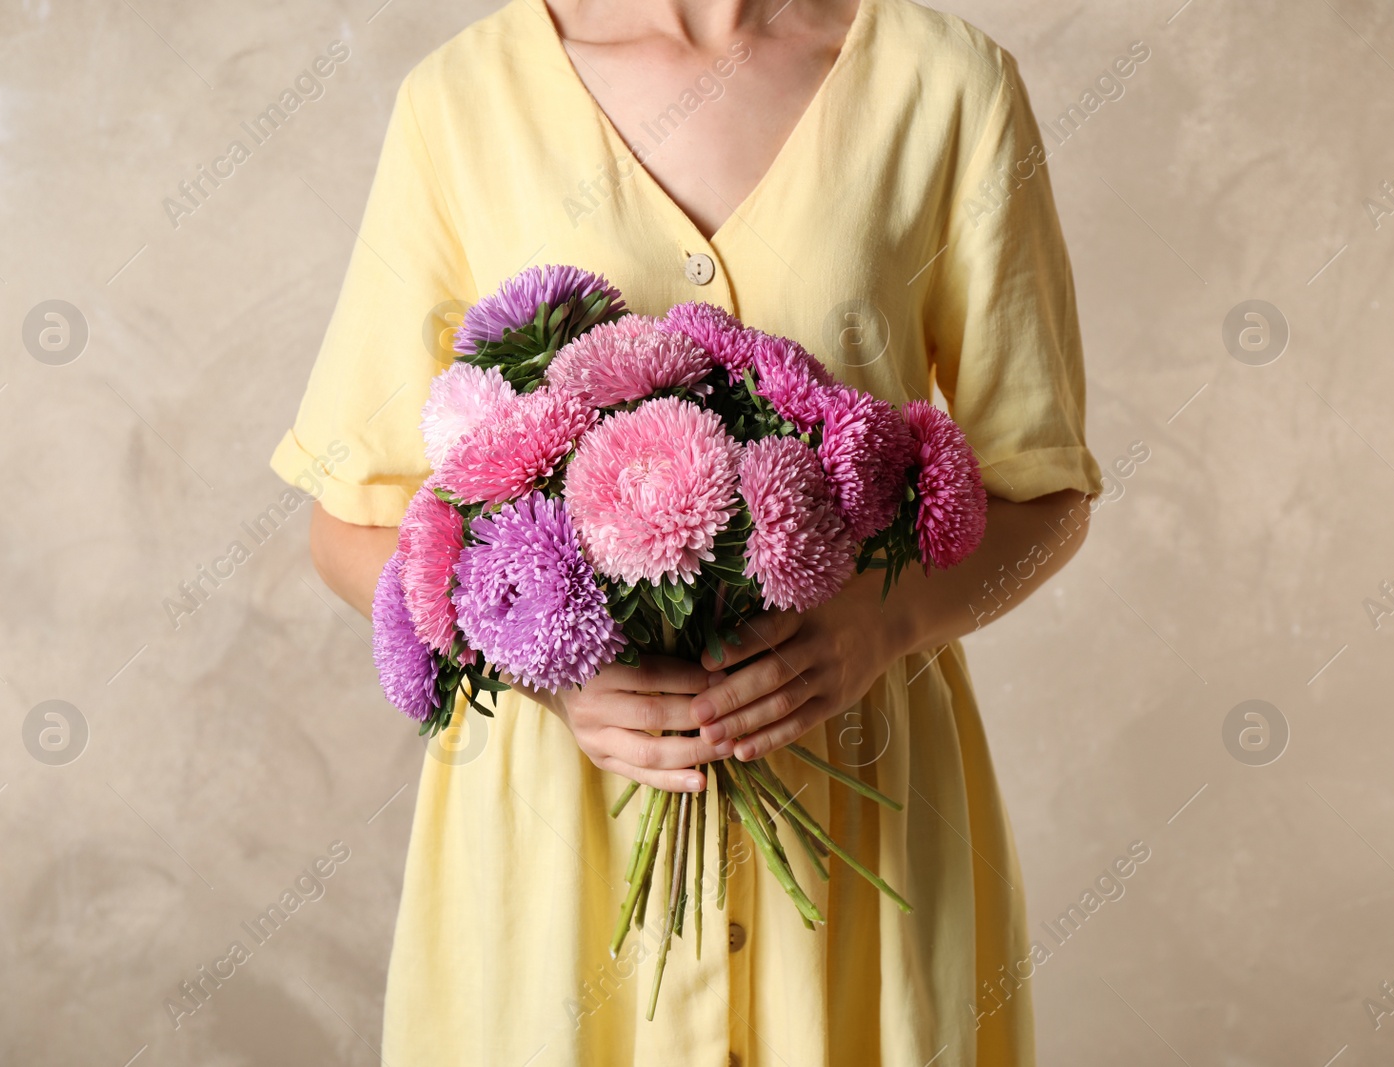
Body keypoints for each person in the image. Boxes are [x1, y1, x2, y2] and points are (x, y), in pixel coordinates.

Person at [271, 0, 1103, 1062]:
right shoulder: (460, 103)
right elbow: (351, 522)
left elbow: (1044, 496)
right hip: (554, 855)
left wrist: (883, 625)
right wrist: (551, 666)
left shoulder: (948, 88)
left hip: (862, 825)